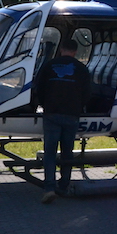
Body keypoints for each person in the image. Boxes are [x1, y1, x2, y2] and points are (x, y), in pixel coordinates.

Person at [34, 38, 90, 204]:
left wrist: (45, 105)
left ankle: (49, 188)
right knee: (67, 152)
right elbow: (87, 93)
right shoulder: (82, 69)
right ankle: (64, 185)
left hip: (52, 113)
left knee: (50, 153)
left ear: (61, 49)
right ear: (75, 52)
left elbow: (39, 87)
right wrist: (79, 107)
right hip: (71, 115)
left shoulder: (49, 66)